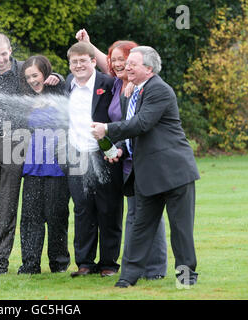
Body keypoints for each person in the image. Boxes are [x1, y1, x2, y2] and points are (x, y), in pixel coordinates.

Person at [91, 46, 200, 288]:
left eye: (132, 64)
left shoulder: (159, 90)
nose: (126, 67)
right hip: (147, 174)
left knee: (181, 230)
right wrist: (120, 147)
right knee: (140, 228)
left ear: (148, 69)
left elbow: (142, 123)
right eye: (126, 63)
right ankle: (128, 279)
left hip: (175, 173)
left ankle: (186, 279)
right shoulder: (132, 91)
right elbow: (134, 132)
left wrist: (107, 129)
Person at [76, 29, 168, 280]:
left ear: (136, 64)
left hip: (144, 159)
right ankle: (138, 267)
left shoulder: (141, 88)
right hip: (125, 160)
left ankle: (155, 269)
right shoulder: (117, 83)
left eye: (124, 61)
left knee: (149, 213)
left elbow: (139, 124)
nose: (117, 64)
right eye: (114, 59)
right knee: (136, 214)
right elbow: (108, 63)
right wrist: (88, 45)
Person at [0, 33, 60, 275]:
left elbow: (47, 76)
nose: (0, 58)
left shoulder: (23, 69)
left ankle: (0, 263)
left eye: (4, 53)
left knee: (8, 205)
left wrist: (58, 77)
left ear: (10, 50)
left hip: (15, 145)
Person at [65, 42, 122, 278]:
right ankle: (85, 262)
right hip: (76, 155)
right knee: (82, 209)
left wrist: (116, 146)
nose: (78, 66)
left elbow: (121, 115)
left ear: (92, 61)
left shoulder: (108, 84)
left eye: (82, 61)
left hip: (105, 155)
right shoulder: (67, 84)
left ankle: (109, 263)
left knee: (108, 209)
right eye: (73, 62)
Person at [17, 55, 70, 275]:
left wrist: (57, 78)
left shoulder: (59, 92)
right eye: (28, 76)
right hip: (33, 164)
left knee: (56, 214)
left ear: (46, 74)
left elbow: (66, 85)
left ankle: (58, 263)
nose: (32, 80)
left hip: (57, 165)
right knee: (30, 217)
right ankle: (30, 264)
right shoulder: (26, 98)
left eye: (36, 75)